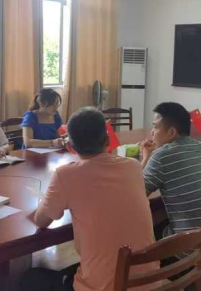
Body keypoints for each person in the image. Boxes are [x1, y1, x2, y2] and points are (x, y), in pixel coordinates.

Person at [31, 107, 157, 291]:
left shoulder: (66, 175)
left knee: (31, 278)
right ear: (108, 140)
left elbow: (41, 221)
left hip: (105, 287)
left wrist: (48, 201)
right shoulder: (133, 166)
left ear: (70, 147)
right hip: (149, 282)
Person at [140, 102, 201, 269]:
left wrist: (145, 158)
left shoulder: (162, 156)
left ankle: (148, 276)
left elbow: (137, 196)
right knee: (162, 218)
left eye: (155, 127)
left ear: (171, 132)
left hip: (194, 257)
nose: (152, 132)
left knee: (143, 233)